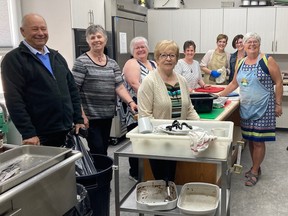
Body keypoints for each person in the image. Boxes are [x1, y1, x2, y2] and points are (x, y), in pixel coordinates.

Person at [0, 13, 85, 147]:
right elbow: (14, 99)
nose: (40, 33)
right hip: (39, 135)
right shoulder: (13, 60)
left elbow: (72, 90)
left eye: (43, 29)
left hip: (66, 129)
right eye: (35, 29)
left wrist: (78, 118)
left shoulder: (56, 57)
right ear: (23, 31)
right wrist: (28, 132)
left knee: (68, 167)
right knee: (48, 168)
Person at [218, 32, 283, 186]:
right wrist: (219, 95)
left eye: (255, 42)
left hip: (264, 107)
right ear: (244, 45)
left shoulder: (267, 60)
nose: (252, 44)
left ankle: (254, 171)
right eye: (249, 42)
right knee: (251, 140)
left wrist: (278, 104)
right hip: (247, 108)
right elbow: (234, 83)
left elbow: (278, 82)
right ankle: (256, 167)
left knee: (259, 141)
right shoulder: (240, 62)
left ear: (259, 45)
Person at [138, 40, 200, 181]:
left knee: (173, 177)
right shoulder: (149, 82)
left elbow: (189, 109)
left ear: (177, 59)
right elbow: (145, 116)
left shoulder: (182, 80)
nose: (168, 59)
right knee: (162, 178)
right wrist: (166, 134)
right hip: (158, 142)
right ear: (157, 58)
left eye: (172, 55)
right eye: (164, 55)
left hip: (179, 140)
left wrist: (202, 127)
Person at [72, 24, 137, 156]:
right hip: (90, 117)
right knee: (98, 150)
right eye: (92, 37)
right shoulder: (82, 62)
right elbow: (74, 90)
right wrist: (81, 115)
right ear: (88, 41)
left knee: (102, 149)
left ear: (105, 39)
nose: (96, 40)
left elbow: (119, 86)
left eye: (99, 36)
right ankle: (99, 175)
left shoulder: (112, 63)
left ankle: (100, 174)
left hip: (107, 115)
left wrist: (131, 102)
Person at [122, 36, 156, 181]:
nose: (141, 49)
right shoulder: (132, 63)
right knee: (137, 140)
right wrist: (154, 98)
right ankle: (135, 172)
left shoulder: (153, 63)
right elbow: (135, 84)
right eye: (137, 48)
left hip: (151, 106)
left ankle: (148, 171)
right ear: (132, 51)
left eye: (143, 46)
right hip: (136, 106)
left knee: (149, 139)